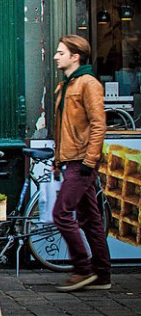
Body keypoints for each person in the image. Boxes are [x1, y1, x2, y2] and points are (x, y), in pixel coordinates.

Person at [52, 34, 111, 292]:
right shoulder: (65, 85)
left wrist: (89, 160)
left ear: (75, 56)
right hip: (71, 159)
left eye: (61, 52)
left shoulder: (88, 84)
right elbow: (61, 127)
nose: (56, 56)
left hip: (82, 161)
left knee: (61, 214)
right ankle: (102, 274)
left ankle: (82, 268)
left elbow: (99, 125)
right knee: (90, 219)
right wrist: (57, 159)